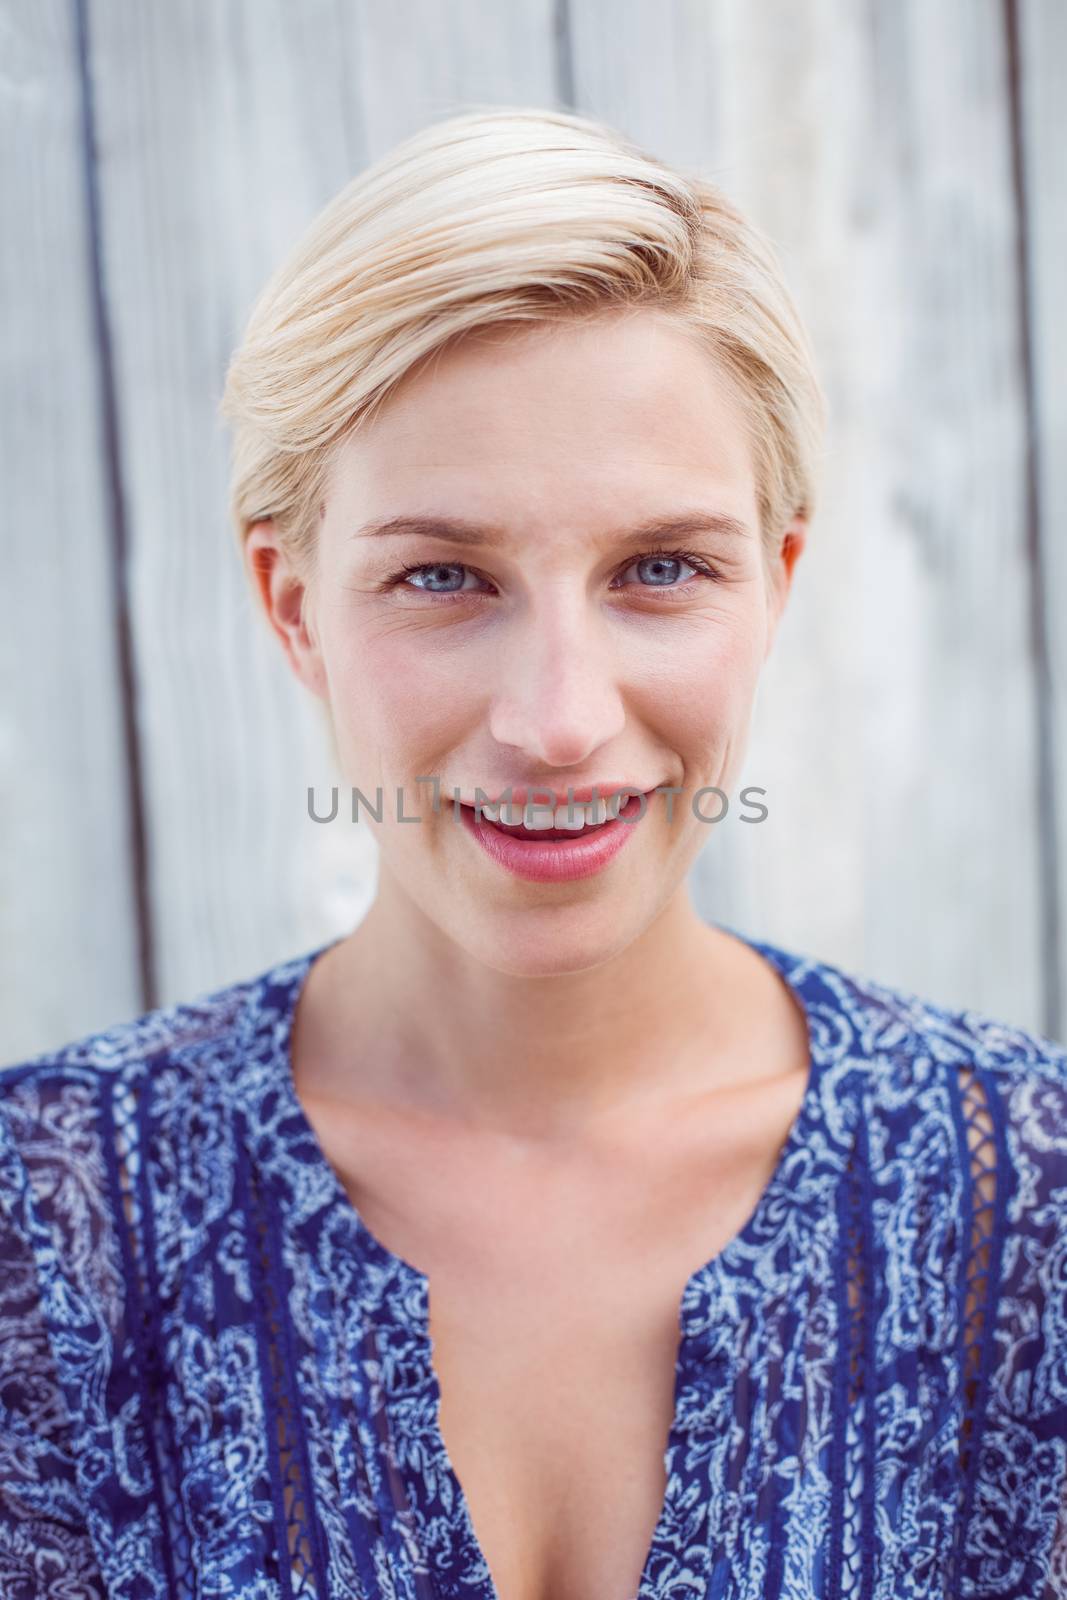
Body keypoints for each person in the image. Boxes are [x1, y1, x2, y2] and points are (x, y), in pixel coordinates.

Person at [2, 106, 1065, 1600]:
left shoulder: (1032, 1202)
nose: (558, 721)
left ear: (777, 583)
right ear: (294, 605)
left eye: (661, 570)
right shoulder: (45, 1234)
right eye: (443, 575)